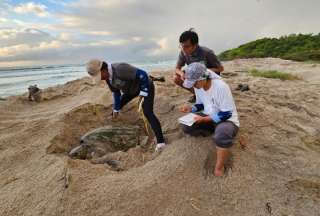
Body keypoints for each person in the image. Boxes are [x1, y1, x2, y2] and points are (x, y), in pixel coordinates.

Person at [86, 59, 166, 152]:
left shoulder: (120, 68)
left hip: (145, 85)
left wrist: (144, 92)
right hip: (130, 90)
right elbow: (116, 93)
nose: (101, 79)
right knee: (117, 106)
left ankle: (161, 142)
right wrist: (116, 109)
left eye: (100, 76)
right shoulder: (108, 78)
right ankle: (113, 119)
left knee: (147, 111)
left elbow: (143, 74)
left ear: (103, 70)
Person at [179, 63, 239, 176]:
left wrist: (205, 119)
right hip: (208, 115)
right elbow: (201, 104)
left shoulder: (220, 87)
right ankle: (215, 133)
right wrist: (191, 108)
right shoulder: (199, 87)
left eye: (194, 82)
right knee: (186, 126)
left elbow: (227, 113)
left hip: (227, 120)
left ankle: (219, 167)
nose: (193, 86)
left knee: (222, 133)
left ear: (202, 78)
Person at [175, 29, 224, 102]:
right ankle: (198, 95)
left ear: (195, 45)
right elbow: (177, 68)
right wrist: (182, 74)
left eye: (187, 46)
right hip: (195, 75)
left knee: (198, 76)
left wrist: (203, 71)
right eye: (182, 46)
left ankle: (207, 95)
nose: (184, 49)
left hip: (208, 75)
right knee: (176, 78)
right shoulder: (183, 52)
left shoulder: (207, 52)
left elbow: (220, 69)